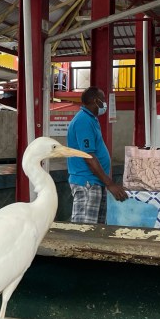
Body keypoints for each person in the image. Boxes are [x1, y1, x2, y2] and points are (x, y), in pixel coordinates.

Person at [66, 86, 128, 224]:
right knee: (85, 229)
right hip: (87, 183)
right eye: (103, 99)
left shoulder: (91, 119)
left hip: (96, 182)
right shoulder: (83, 121)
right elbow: (89, 156)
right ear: (96, 101)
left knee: (96, 230)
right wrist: (110, 183)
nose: (105, 103)